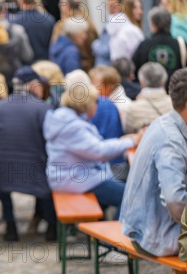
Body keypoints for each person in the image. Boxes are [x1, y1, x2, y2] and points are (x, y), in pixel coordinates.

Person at [43, 79, 141, 218]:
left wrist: (123, 141)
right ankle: (113, 238)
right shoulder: (73, 127)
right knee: (131, 198)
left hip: (71, 176)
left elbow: (94, 146)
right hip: (74, 179)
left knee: (122, 189)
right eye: (95, 101)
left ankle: (106, 232)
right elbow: (99, 151)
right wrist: (131, 141)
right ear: (86, 104)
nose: (97, 105)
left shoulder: (64, 120)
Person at [0, 66, 55, 240]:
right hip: (36, 172)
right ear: (33, 86)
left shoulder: (1, 106)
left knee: (3, 180)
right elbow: (51, 140)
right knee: (51, 176)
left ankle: (11, 229)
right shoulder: (42, 109)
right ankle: (52, 229)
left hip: (2, 172)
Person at [121, 68, 187, 257]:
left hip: (143, 225)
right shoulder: (171, 140)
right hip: (154, 234)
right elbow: (175, 200)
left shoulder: (165, 122)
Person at [132, 7, 182, 91]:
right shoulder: (180, 44)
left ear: (154, 24)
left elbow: (134, 70)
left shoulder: (144, 45)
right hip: (175, 94)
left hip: (148, 95)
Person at [124, 62, 173, 134]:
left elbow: (129, 134)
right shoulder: (175, 104)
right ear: (164, 82)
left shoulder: (132, 108)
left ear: (141, 82)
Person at [51, 0, 98, 71]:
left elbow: (54, 46)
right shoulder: (88, 22)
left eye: (61, 4)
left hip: (77, 68)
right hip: (89, 67)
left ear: (66, 6)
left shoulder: (61, 26)